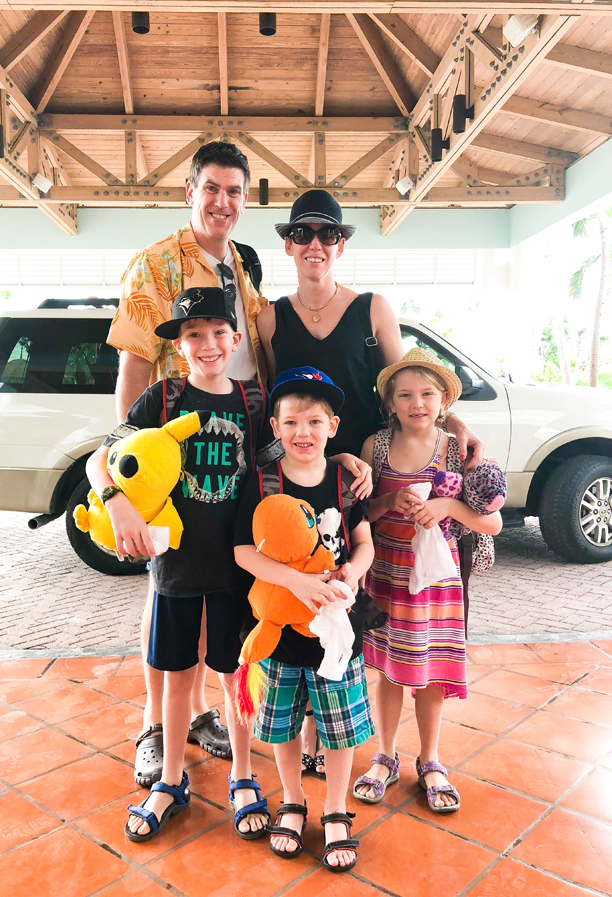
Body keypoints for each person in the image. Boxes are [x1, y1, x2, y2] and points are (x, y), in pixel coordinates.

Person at [256, 189, 485, 773]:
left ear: (339, 245)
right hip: (307, 472)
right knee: (305, 596)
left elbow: (406, 387)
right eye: (303, 233)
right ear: (288, 243)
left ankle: (358, 736)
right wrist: (315, 460)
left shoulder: (373, 309)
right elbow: (271, 414)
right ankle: (310, 743)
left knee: (361, 599)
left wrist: (453, 419)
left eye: (327, 234)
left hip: (371, 477)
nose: (315, 244)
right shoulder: (267, 318)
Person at [107, 140, 269, 782]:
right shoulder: (154, 266)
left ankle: (199, 713)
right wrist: (133, 475)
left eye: (234, 191)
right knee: (169, 591)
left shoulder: (242, 270)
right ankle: (156, 721)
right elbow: (135, 368)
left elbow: (256, 353)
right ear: (189, 192)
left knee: (215, 592)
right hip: (174, 460)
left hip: (235, 451)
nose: (222, 202)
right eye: (212, 189)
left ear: (244, 200)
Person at [88, 286, 273, 842]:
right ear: (178, 345)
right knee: (175, 677)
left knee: (233, 674)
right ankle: (170, 780)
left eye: (218, 333)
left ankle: (243, 773)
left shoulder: (254, 401)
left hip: (237, 570)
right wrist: (116, 501)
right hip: (175, 570)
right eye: (194, 334)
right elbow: (104, 459)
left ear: (236, 339)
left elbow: (281, 469)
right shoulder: (162, 401)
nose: (208, 344)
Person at [234, 367, 374, 872]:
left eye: (314, 422)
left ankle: (336, 806)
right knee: (283, 725)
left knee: (339, 729)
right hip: (281, 639)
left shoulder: (343, 481)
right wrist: (295, 582)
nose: (303, 432)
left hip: (334, 638)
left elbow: (363, 542)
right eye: (291, 421)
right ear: (275, 426)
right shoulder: (262, 482)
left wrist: (353, 574)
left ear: (332, 426)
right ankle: (292, 799)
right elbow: (244, 551)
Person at [352, 348, 502, 813]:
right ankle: (386, 754)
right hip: (387, 573)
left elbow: (492, 523)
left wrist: (447, 508)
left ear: (443, 400)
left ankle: (431, 759)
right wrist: (387, 500)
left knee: (431, 671)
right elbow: (362, 514)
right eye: (405, 395)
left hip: (437, 582)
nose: (417, 403)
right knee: (392, 670)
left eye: (427, 394)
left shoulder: (459, 449)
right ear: (390, 402)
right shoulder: (375, 447)